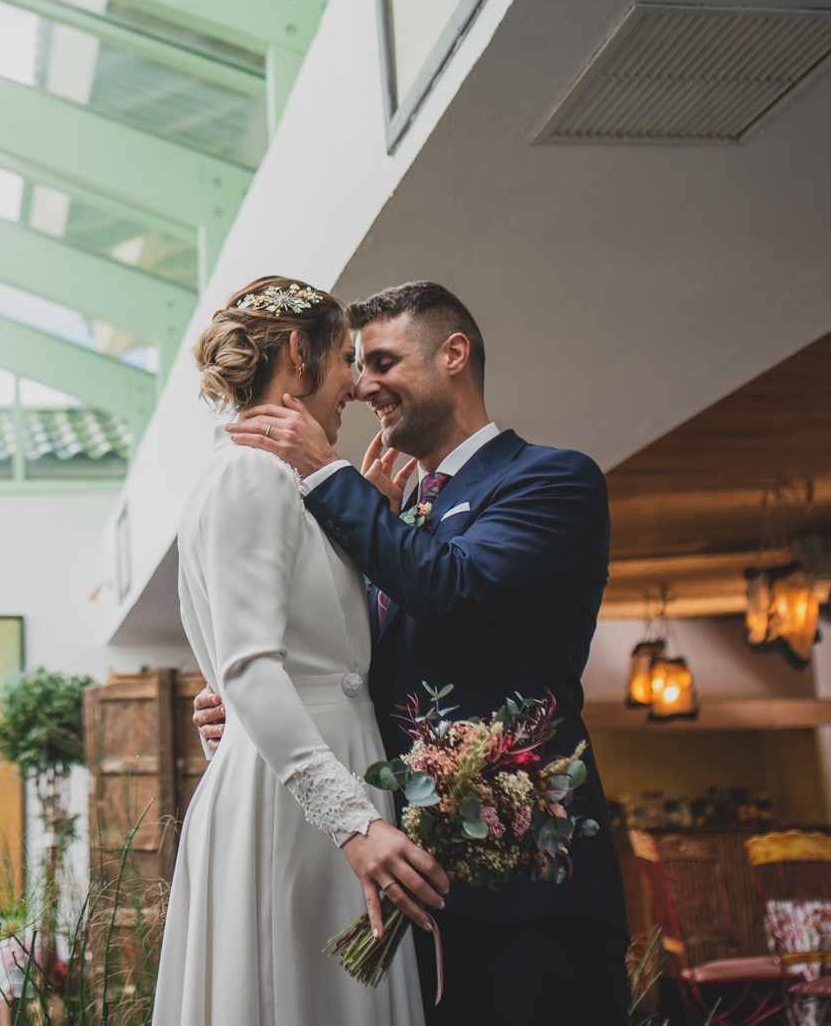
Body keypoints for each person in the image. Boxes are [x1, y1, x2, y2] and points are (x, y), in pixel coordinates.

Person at [198, 281, 631, 1025]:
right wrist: (257, 700)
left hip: (533, 886)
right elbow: (353, 665)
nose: (365, 386)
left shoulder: (552, 479)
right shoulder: (388, 514)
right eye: (356, 364)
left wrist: (328, 475)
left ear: (454, 354)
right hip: (412, 888)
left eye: (385, 361)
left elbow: (453, 586)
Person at [153, 275, 444, 1026]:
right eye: (345, 357)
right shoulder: (250, 473)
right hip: (298, 803)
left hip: (327, 780)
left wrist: (361, 517)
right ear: (297, 353)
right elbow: (250, 666)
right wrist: (353, 821)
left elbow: (327, 642)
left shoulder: (292, 486)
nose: (354, 382)